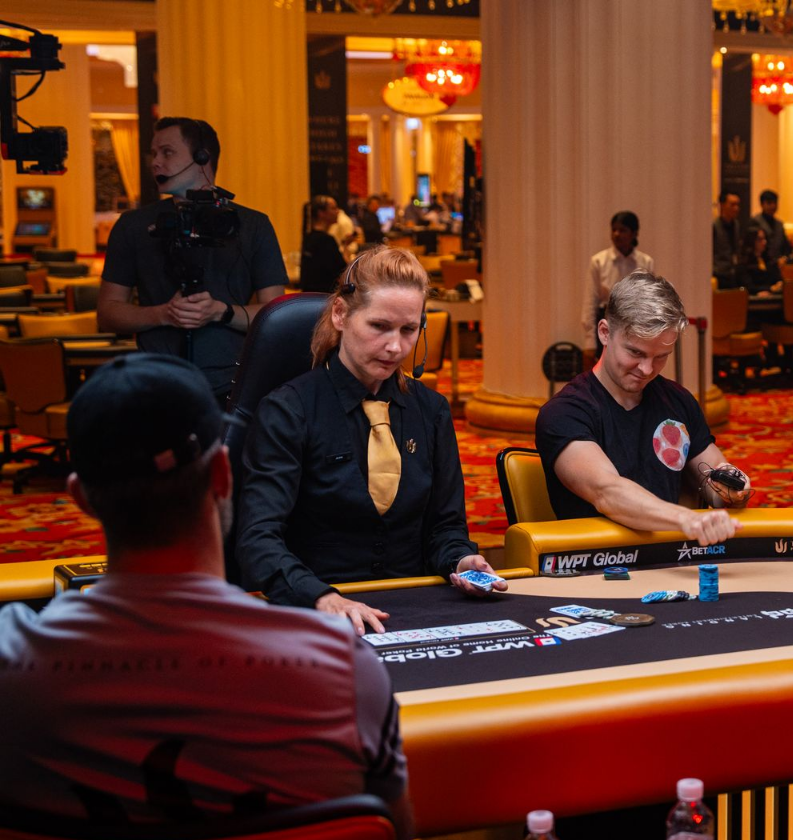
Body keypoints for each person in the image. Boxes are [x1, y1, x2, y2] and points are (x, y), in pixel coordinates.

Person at [0, 354, 412, 840]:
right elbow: (395, 834)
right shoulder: (342, 665)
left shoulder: (9, 661)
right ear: (222, 473)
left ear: (81, 499)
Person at [237, 246, 502, 635]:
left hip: (415, 608)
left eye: (409, 330)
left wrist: (461, 561)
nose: (396, 347)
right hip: (317, 608)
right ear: (340, 314)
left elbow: (445, 528)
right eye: (379, 326)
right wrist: (321, 597)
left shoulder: (431, 410)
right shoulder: (288, 409)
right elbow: (258, 539)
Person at [536, 271, 751, 546]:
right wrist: (685, 519)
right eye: (635, 353)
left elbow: (713, 481)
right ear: (605, 333)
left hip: (668, 558)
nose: (647, 369)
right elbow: (607, 492)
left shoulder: (678, 400)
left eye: (661, 357)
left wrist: (731, 490)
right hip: (597, 560)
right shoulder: (565, 412)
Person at [98, 116, 287, 401]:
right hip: (155, 383)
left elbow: (274, 316)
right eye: (154, 153)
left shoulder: (254, 225)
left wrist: (220, 312)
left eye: (167, 152)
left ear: (202, 158)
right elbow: (107, 313)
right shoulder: (132, 225)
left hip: (232, 385)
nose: (155, 162)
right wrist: (162, 314)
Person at [583, 210, 657, 355]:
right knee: (608, 368)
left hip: (636, 325)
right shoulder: (599, 261)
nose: (617, 234)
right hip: (607, 323)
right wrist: (589, 342)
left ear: (634, 233)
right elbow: (590, 303)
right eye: (614, 230)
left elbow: (650, 303)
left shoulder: (646, 262)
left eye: (622, 230)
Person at [299, 195, 346, 293]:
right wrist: (346, 246)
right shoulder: (326, 240)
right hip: (324, 297)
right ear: (321, 213)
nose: (338, 211)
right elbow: (344, 272)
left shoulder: (309, 237)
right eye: (333, 208)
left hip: (309, 297)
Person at [733, 225, 783, 295]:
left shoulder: (769, 260)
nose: (764, 242)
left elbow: (778, 279)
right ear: (751, 241)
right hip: (753, 299)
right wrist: (770, 288)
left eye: (764, 238)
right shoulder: (743, 264)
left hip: (773, 296)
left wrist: (779, 284)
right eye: (759, 239)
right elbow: (747, 287)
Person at [751, 189, 790, 264]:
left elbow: (786, 246)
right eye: (769, 203)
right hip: (761, 264)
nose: (773, 206)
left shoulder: (779, 224)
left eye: (775, 203)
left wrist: (784, 258)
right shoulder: (755, 222)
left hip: (778, 265)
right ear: (762, 204)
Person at [713, 191, 742, 282]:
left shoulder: (736, 225)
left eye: (737, 205)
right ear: (722, 205)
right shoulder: (714, 226)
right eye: (732, 205)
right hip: (719, 273)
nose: (736, 208)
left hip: (733, 272)